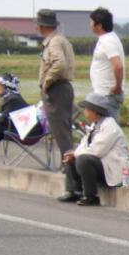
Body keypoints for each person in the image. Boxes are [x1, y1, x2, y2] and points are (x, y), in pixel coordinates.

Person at [56, 93, 129, 206]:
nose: (84, 112)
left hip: (115, 169)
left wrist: (75, 154)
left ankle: (90, 195)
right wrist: (73, 154)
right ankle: (74, 191)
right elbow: (83, 145)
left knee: (83, 159)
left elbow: (97, 151)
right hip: (103, 165)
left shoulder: (110, 127)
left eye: (86, 109)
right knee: (70, 156)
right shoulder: (94, 125)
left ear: (95, 111)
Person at [36, 9, 76, 161]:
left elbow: (60, 64)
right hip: (62, 88)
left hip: (56, 89)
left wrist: (47, 81)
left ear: (41, 26)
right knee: (63, 129)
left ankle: (68, 166)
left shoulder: (54, 42)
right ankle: (68, 164)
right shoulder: (61, 39)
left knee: (60, 130)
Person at [89, 7, 126, 117]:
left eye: (91, 21)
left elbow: (118, 66)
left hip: (107, 95)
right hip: (103, 93)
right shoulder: (106, 39)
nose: (89, 24)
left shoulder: (108, 40)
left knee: (110, 130)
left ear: (99, 25)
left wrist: (117, 87)